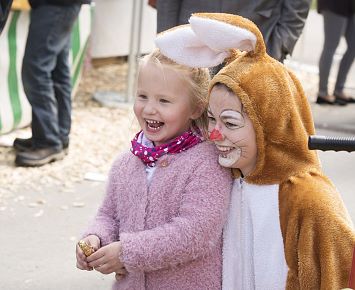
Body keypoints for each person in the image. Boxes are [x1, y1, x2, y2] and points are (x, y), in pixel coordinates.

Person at [156, 13, 355, 288]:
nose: (215, 134)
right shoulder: (220, 178)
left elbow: (342, 272)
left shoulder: (308, 198)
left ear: (271, 124)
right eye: (212, 119)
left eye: (231, 122)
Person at [76, 49, 232, 289]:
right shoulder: (126, 163)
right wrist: (96, 238)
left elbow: (196, 233)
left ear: (196, 108)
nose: (149, 109)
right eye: (142, 96)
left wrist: (128, 252)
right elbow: (108, 215)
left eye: (164, 100)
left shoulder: (206, 163)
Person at [13, 0, 90, 167]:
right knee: (56, 71)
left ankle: (48, 141)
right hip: (60, 4)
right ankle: (58, 137)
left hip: (55, 3)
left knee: (36, 69)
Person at [150, 0, 311, 62]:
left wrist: (280, 46)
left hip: (258, 42)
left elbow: (297, 6)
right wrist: (167, 46)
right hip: (191, 41)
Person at [316, 0, 355, 105]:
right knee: (331, 46)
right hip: (334, 4)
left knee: (353, 46)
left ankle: (339, 90)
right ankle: (322, 93)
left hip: (350, 6)